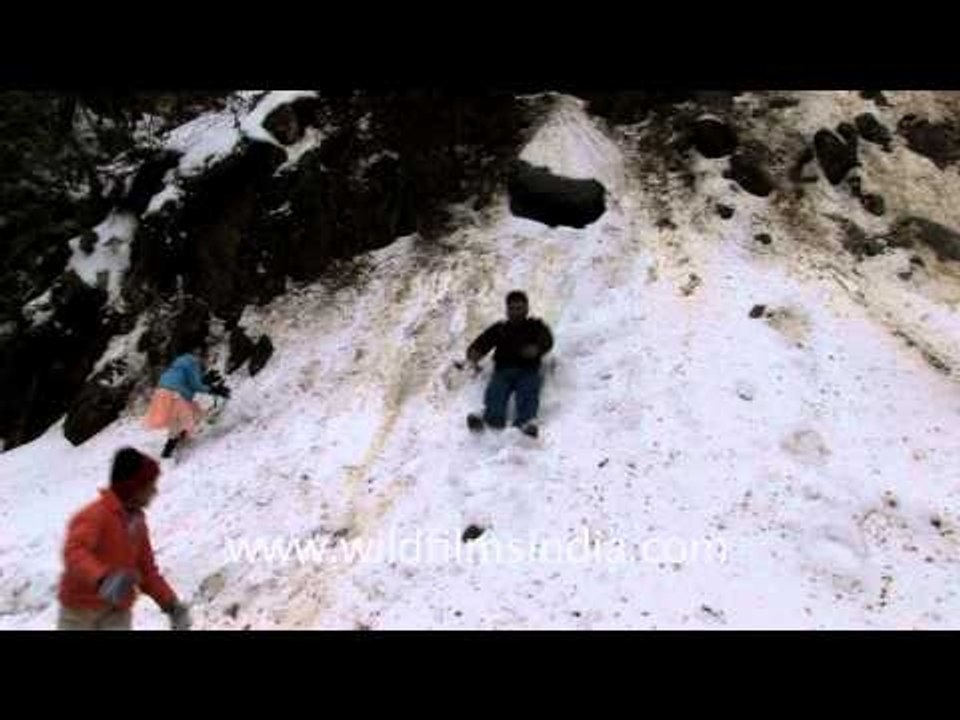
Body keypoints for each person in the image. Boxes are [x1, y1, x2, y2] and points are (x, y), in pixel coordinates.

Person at [57, 447, 191, 631]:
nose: (154, 491)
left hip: (116, 610)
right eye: (149, 485)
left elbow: (146, 571)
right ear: (132, 488)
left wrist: (171, 604)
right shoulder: (96, 514)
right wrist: (102, 578)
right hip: (80, 609)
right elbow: (75, 551)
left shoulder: (137, 523)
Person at [465, 290, 554, 437]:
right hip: (503, 371)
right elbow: (482, 342)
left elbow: (547, 340)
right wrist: (474, 353)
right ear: (507, 310)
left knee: (528, 391)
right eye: (512, 308)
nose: (516, 312)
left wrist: (537, 349)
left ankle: (526, 423)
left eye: (519, 308)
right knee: (495, 392)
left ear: (526, 309)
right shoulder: (500, 328)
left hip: (528, 370)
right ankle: (491, 421)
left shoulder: (536, 326)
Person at [144, 342, 230, 458]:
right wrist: (215, 390)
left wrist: (206, 380)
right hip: (174, 395)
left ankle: (176, 444)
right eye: (201, 353)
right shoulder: (191, 361)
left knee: (187, 415)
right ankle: (167, 453)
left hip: (162, 393)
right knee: (183, 420)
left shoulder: (179, 362)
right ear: (195, 351)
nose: (202, 357)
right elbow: (196, 385)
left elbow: (188, 381)